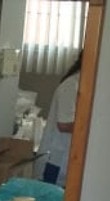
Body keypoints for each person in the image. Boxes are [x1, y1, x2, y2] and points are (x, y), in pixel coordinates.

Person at [39, 56, 82, 187]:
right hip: (56, 160)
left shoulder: (82, 84)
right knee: (52, 196)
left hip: (66, 157)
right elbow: (64, 124)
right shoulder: (71, 85)